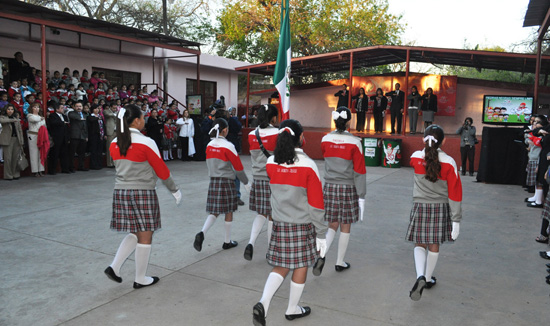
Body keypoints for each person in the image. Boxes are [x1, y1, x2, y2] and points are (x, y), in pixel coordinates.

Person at [252, 119, 327, 326]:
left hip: (280, 223)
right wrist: (321, 234)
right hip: (302, 224)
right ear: (301, 138)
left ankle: (263, 303)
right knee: (301, 264)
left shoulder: (270, 163)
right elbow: (316, 204)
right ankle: (292, 309)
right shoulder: (309, 166)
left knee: (281, 266)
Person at [104, 104, 182, 289]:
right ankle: (140, 278)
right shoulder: (146, 142)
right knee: (145, 235)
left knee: (135, 231)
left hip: (121, 192)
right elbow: (162, 170)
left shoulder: (114, 143)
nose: (144, 119)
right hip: (142, 192)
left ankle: (114, 267)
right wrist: (175, 190)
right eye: (143, 117)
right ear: (137, 120)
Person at [406, 125, 462, 301]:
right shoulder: (449, 162)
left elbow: (422, 159)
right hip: (440, 208)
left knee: (419, 243)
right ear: (444, 141)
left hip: (420, 206)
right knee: (434, 245)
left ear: (424, 140)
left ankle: (420, 276)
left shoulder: (415, 158)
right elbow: (455, 193)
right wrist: (456, 220)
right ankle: (428, 278)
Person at [318, 107, 366, 274]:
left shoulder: (325, 139)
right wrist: (362, 196)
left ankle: (322, 255)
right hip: (347, 187)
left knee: (332, 224)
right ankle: (339, 262)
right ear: (348, 122)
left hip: (329, 186)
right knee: (345, 225)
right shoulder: (355, 142)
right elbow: (359, 171)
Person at [193, 118, 250, 252]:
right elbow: (238, 168)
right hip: (227, 181)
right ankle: (226, 241)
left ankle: (202, 232)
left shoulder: (209, 145)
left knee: (215, 211)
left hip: (213, 181)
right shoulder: (228, 146)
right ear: (225, 130)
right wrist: (246, 183)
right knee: (229, 211)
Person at [244, 104, 279, 261]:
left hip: (257, 178)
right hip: (272, 179)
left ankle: (251, 242)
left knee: (261, 213)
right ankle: (270, 249)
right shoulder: (277, 133)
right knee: (272, 215)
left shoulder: (252, 134)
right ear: (273, 118)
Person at [0, 104, 24, 180]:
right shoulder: (3, 117)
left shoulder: (15, 118)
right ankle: (8, 175)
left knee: (15, 157)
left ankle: (15, 174)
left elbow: (20, 130)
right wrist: (13, 120)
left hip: (16, 139)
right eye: (9, 109)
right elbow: (2, 121)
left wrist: (21, 140)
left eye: (12, 109)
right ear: (6, 110)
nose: (10, 111)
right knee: (8, 158)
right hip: (7, 140)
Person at [47, 101, 71, 174]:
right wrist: (62, 123)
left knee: (64, 154)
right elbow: (53, 124)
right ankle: (52, 170)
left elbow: (67, 127)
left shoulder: (64, 116)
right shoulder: (52, 116)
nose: (63, 109)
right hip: (56, 138)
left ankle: (65, 169)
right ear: (57, 109)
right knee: (54, 154)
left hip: (64, 137)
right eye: (61, 108)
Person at [27, 102, 47, 177]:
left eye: (38, 107)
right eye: (34, 107)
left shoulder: (41, 117)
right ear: (31, 108)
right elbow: (34, 120)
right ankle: (35, 170)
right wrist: (41, 118)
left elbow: (44, 126)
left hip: (41, 136)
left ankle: (41, 169)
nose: (36, 109)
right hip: (33, 135)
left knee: (40, 153)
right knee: (34, 153)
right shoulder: (30, 115)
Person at [68, 101, 88, 172]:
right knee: (72, 153)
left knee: (82, 153)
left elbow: (85, 126)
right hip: (74, 135)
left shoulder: (84, 114)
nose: (79, 108)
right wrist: (81, 118)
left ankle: (81, 166)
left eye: (80, 106)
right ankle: (71, 167)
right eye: (77, 106)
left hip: (83, 136)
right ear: (74, 107)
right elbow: (74, 117)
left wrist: (86, 136)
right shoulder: (71, 113)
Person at [87, 105, 104, 170]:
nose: (97, 110)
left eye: (98, 108)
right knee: (94, 150)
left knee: (99, 150)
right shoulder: (90, 116)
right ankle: (93, 165)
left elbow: (103, 125)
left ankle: (99, 164)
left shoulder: (100, 116)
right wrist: (97, 118)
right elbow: (92, 120)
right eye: (95, 109)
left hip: (101, 134)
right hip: (93, 135)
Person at [103, 103, 117, 168]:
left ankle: (114, 162)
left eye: (116, 108)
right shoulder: (106, 111)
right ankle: (109, 163)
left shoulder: (117, 112)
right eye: (114, 108)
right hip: (110, 131)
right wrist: (115, 114)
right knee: (109, 147)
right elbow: (108, 115)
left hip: (116, 131)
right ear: (110, 107)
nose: (115, 109)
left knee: (116, 148)